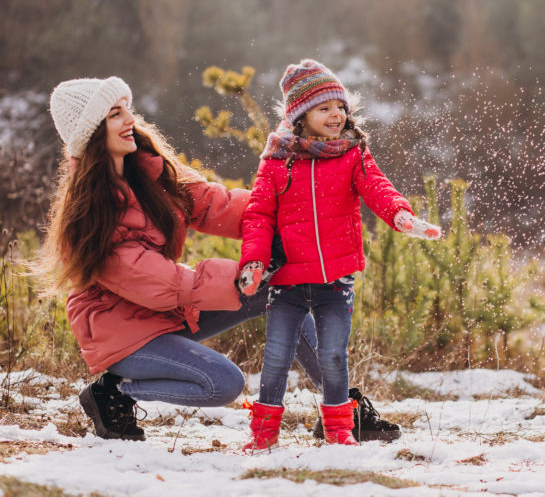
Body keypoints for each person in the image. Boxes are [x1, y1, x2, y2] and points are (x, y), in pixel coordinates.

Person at [39, 76, 400, 443]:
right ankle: (113, 391)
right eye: (116, 114)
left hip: (166, 311)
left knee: (283, 284)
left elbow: (214, 204)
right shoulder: (90, 212)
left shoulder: (149, 169)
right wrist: (244, 275)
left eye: (127, 109)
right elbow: (155, 281)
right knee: (222, 383)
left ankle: (342, 406)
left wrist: (285, 211)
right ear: (92, 134)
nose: (131, 119)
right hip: (121, 333)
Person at [237, 59, 441, 450]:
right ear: (300, 115)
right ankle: (262, 434)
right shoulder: (277, 160)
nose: (336, 115)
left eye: (340, 107)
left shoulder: (352, 153)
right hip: (287, 282)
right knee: (276, 357)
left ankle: (339, 430)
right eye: (324, 108)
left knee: (332, 355)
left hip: (335, 280)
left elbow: (378, 187)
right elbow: (259, 215)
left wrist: (401, 215)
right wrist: (254, 263)